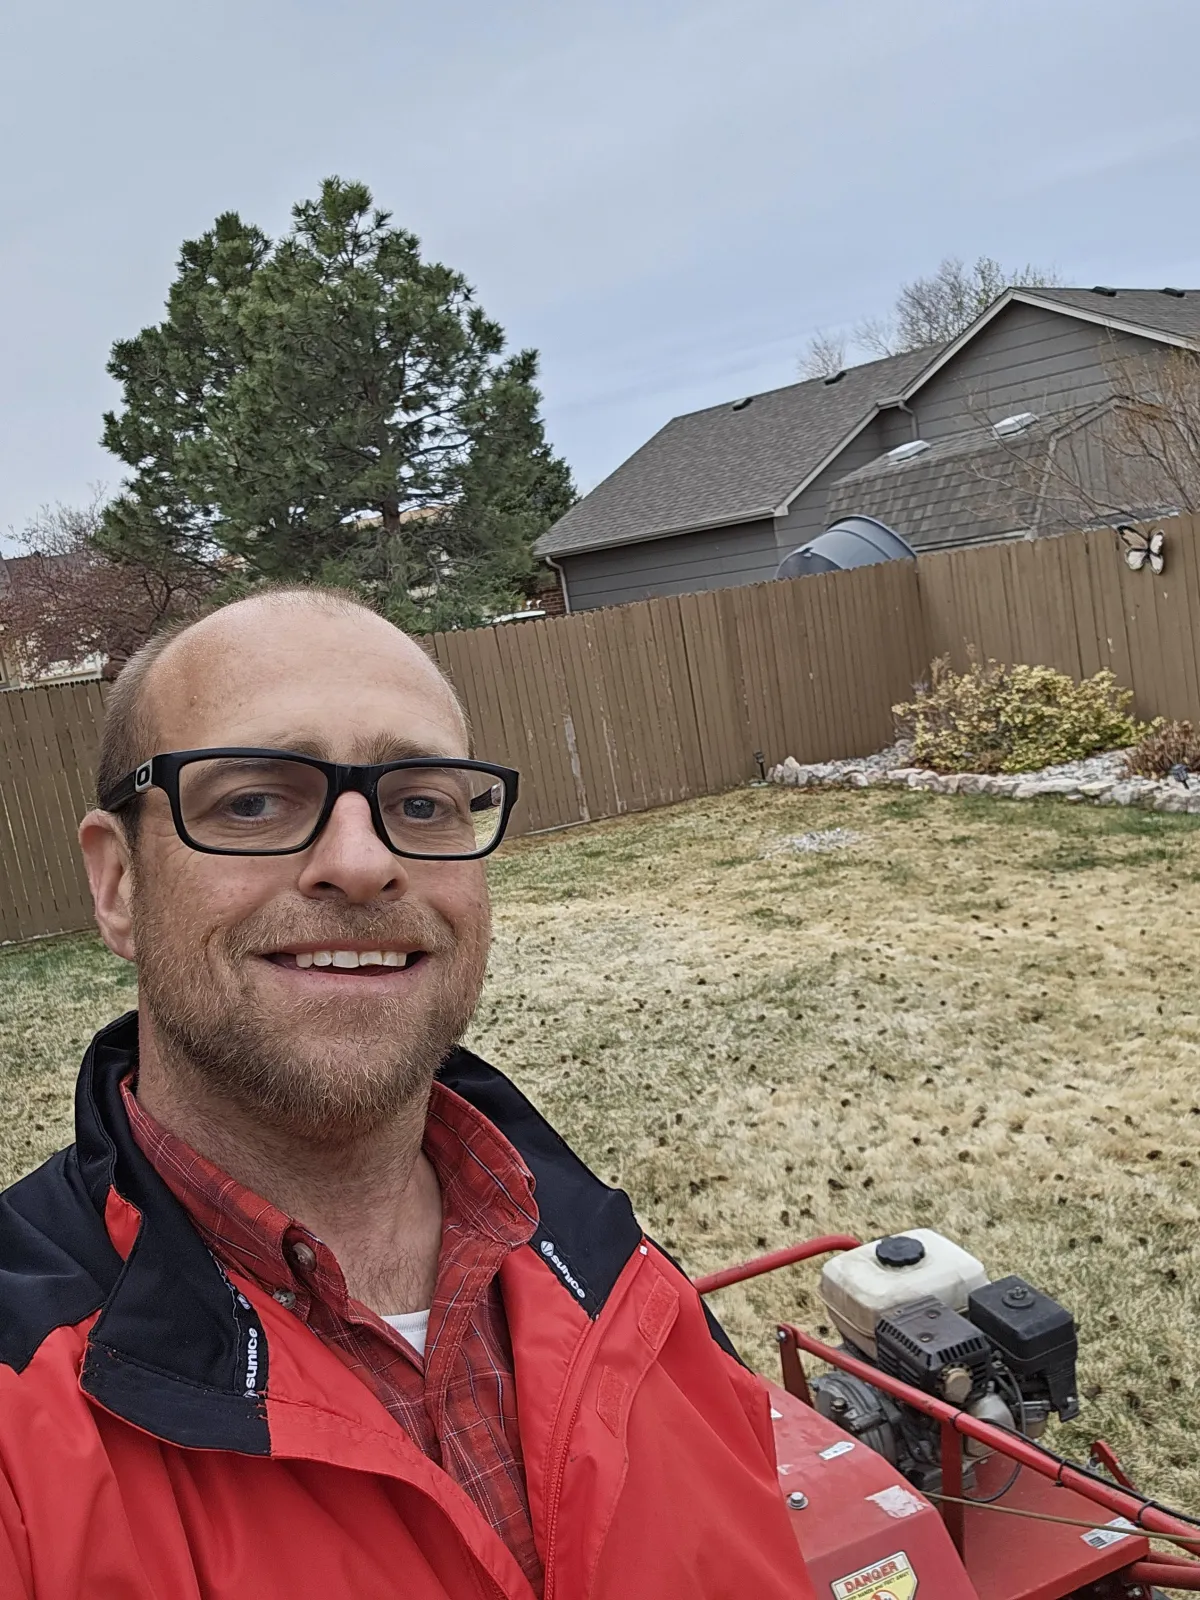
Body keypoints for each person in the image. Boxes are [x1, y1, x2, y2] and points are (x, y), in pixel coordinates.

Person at [0, 587, 814, 1600]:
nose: (362, 863)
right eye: (253, 801)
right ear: (119, 882)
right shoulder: (22, 1420)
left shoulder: (616, 1273)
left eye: (421, 804)